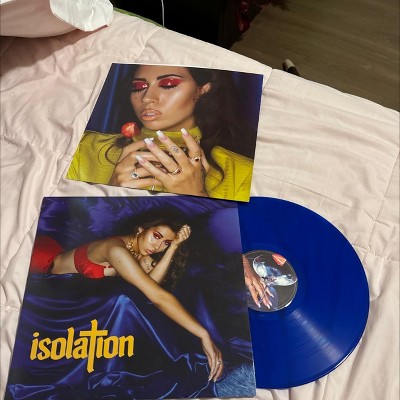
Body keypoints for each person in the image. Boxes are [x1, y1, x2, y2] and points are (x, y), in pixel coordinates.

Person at [29, 217, 224, 382]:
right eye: (156, 236)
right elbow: (156, 296)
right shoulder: (115, 249)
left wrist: (173, 247)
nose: (157, 246)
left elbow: (151, 286)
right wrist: (203, 333)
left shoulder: (139, 253)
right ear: (140, 229)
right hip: (41, 262)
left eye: (165, 242)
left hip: (68, 281)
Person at [66, 64, 259, 201]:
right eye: (138, 87)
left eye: (168, 84)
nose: (147, 98)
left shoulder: (242, 172)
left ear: (203, 89)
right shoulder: (85, 147)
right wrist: (109, 194)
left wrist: (197, 196)